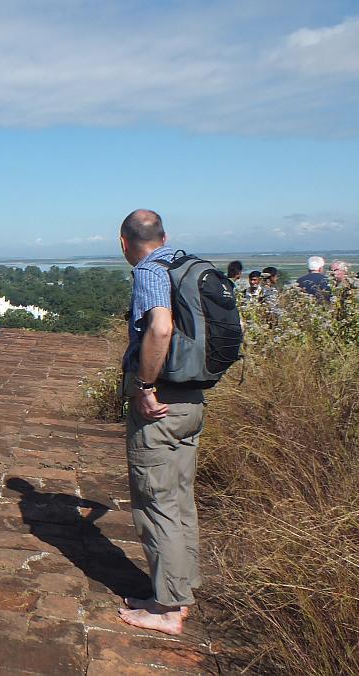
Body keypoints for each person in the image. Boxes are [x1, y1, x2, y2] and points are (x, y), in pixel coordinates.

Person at [116, 209, 205, 636]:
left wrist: (146, 386)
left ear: (123, 242)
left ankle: (167, 608)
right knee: (180, 498)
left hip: (162, 404)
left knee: (156, 504)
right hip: (191, 401)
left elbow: (162, 328)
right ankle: (180, 592)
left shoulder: (150, 272)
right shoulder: (186, 265)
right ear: (165, 236)